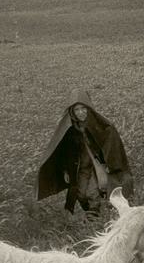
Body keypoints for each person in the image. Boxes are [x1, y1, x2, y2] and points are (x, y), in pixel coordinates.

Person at [36, 89, 134, 218]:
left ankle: (95, 216)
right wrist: (65, 170)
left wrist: (108, 163)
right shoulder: (70, 130)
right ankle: (94, 212)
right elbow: (63, 151)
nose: (81, 112)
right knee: (81, 193)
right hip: (80, 167)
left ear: (89, 108)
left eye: (84, 108)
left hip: (96, 164)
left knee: (95, 191)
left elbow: (111, 142)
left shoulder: (102, 125)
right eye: (77, 110)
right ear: (72, 112)